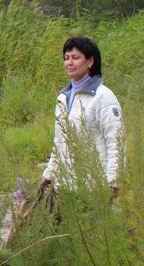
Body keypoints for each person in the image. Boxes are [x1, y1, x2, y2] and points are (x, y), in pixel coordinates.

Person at [39, 36, 124, 198]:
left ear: (90, 62)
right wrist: (49, 173)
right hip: (65, 187)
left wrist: (113, 182)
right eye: (66, 58)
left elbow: (116, 141)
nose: (69, 62)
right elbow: (60, 142)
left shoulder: (103, 97)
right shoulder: (63, 98)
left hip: (93, 187)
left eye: (75, 58)